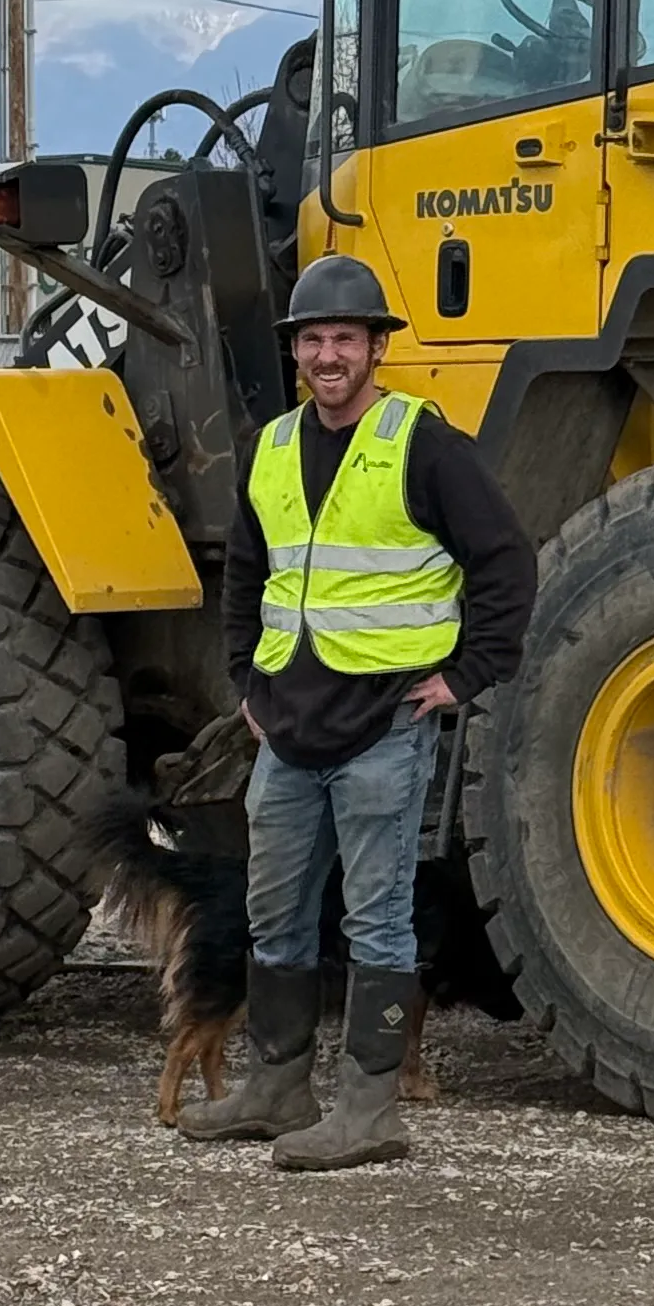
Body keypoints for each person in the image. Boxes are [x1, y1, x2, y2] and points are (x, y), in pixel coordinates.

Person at [181, 251, 536, 1167]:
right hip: (286, 733)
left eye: (345, 337)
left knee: (377, 921)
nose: (328, 354)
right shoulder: (270, 449)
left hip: (382, 729)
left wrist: (466, 677)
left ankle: (370, 1111)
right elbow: (246, 578)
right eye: (312, 339)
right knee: (276, 918)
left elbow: (504, 561)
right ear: (295, 351)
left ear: (376, 347)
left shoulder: (421, 443)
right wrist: (246, 687)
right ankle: (277, 1087)